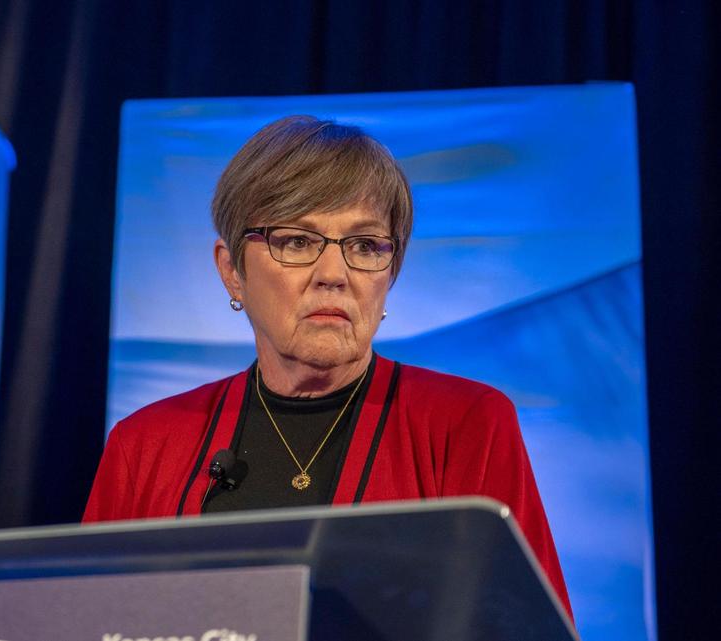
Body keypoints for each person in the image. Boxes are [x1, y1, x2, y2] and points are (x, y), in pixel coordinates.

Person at [82, 115, 572, 619]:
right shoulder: (144, 445)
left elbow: (526, 627)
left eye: (364, 246)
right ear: (232, 271)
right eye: (297, 241)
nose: (334, 275)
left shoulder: (466, 424)